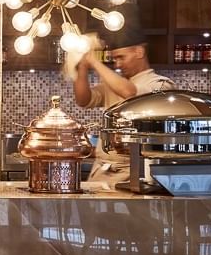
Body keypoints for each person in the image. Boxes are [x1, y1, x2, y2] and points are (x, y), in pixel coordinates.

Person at [72, 28, 173, 184]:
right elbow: (83, 100)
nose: (117, 64)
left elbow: (129, 93)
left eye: (121, 57)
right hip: (101, 171)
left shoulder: (160, 84)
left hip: (133, 172)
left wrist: (94, 61)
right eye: (114, 59)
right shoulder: (114, 83)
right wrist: (82, 68)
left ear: (139, 52)